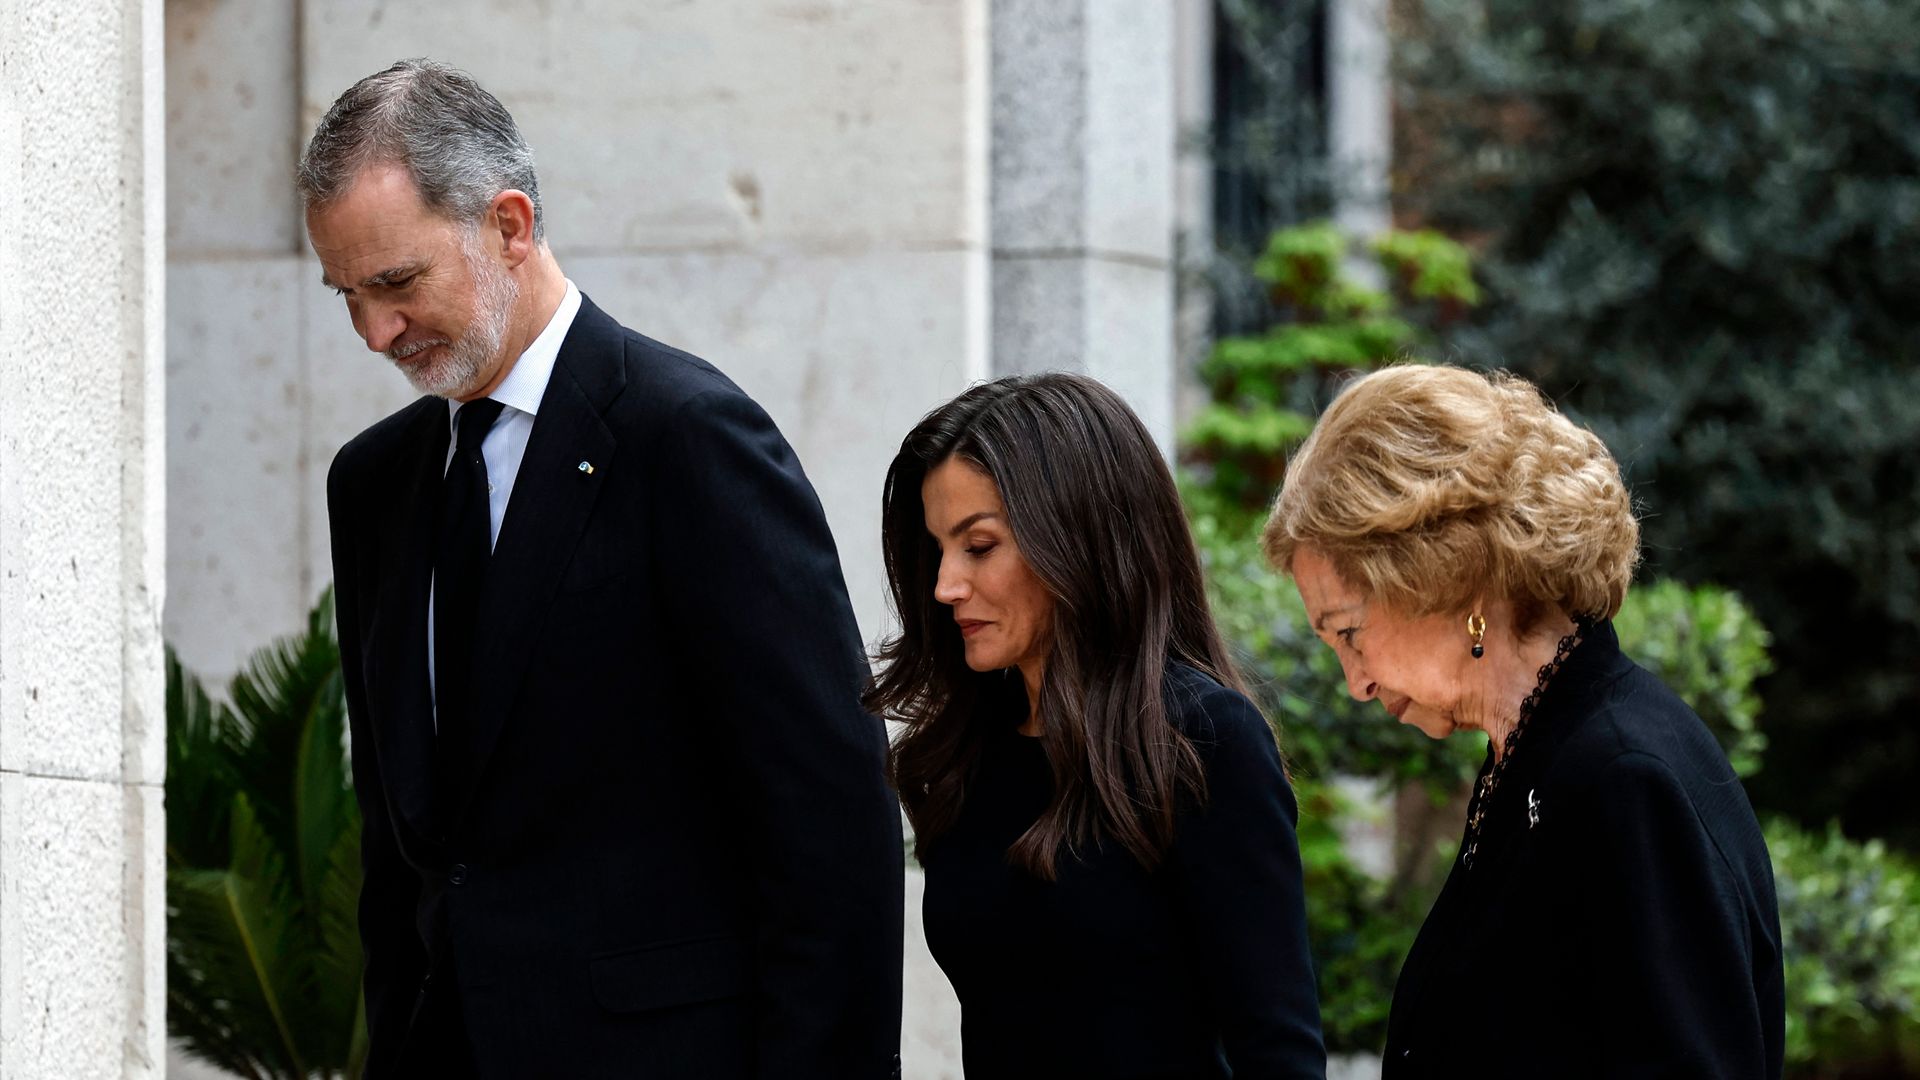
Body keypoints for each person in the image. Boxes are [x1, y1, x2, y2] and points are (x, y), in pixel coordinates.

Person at [303, 59, 902, 1078]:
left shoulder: (689, 436)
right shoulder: (373, 483)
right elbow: (401, 860)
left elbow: (831, 834)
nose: (374, 333)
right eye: (347, 294)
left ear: (510, 225)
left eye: (397, 283)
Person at [1263, 363, 1784, 1077]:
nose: (1355, 683)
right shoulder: (1535, 754)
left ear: (1446, 576)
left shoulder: (1623, 776)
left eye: (1349, 632)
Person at [867, 373, 1326, 1079]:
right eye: (938, 550)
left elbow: (1279, 1051)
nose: (945, 585)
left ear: (1076, 539)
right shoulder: (970, 753)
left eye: (979, 546)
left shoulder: (1202, 739)